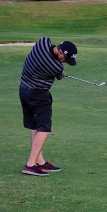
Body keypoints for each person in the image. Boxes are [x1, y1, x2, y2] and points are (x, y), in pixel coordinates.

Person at [19, 37, 77, 176]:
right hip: (38, 95)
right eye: (65, 59)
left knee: (35, 127)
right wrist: (62, 73)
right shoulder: (56, 67)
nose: (65, 62)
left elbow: (47, 45)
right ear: (61, 53)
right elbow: (59, 74)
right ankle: (30, 165)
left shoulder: (42, 42)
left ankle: (40, 162)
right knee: (44, 129)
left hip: (24, 90)